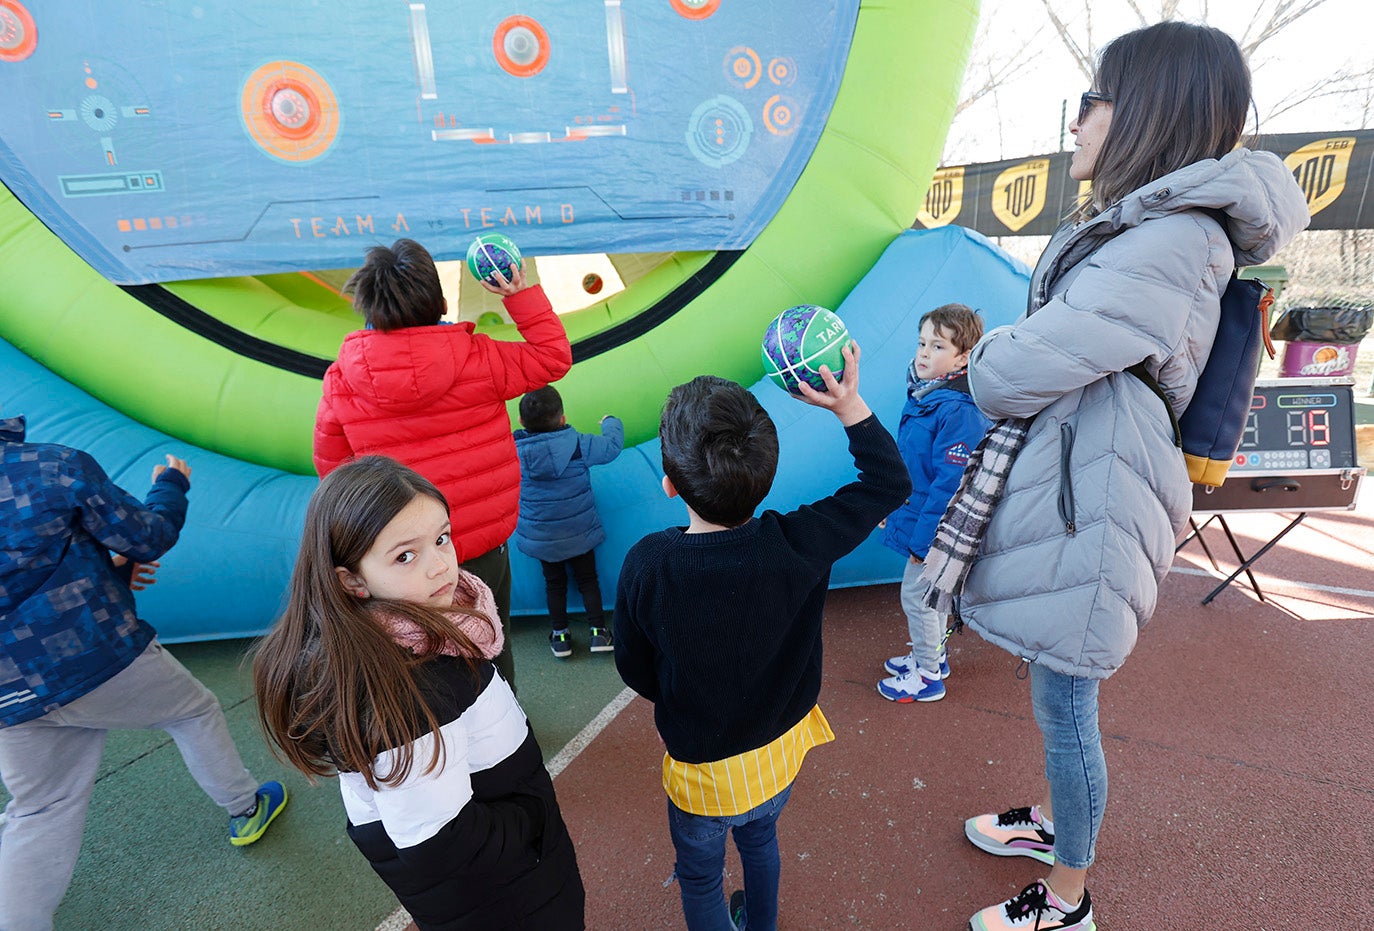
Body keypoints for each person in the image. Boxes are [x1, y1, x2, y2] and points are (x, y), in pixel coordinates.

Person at [916, 23, 1309, 931]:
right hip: (1086, 484)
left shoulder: (1167, 241)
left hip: (1099, 497)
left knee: (1066, 699)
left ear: (1147, 112)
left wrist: (977, 357)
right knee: (1059, 685)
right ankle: (1056, 825)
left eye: (1094, 100)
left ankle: (1068, 895)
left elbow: (1012, 368)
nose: (1081, 120)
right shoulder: (1149, 228)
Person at [613, 345, 910, 931]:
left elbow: (635, 668)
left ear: (670, 485)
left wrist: (682, 700)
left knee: (701, 876)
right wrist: (847, 405)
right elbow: (888, 482)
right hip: (779, 755)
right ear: (766, 474)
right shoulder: (802, 539)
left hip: (701, 771)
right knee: (761, 843)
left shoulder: (650, 564)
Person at [252, 456, 584, 931]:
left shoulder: (422, 639)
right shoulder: (413, 687)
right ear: (352, 580)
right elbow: (438, 845)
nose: (440, 567)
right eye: (405, 556)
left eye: (442, 538)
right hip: (507, 900)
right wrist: (530, 822)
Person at [0, 416, 288, 931]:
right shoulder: (49, 466)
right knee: (193, 711)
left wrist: (105, 573)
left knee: (40, 809)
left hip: (10, 696)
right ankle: (245, 806)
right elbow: (148, 536)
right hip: (99, 656)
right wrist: (171, 485)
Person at [313, 238, 573, 691]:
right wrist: (517, 294)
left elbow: (334, 475)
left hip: (401, 555)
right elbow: (553, 357)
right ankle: (505, 744)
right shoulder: (480, 357)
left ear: (369, 307)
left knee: (415, 656)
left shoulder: (342, 380)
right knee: (492, 643)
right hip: (482, 543)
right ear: (441, 301)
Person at [877, 303, 990, 703]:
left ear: (962, 357)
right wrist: (892, 508)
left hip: (933, 529)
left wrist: (924, 543)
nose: (924, 353)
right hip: (916, 517)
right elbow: (914, 467)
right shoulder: (928, 395)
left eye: (938, 346)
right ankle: (933, 658)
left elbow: (948, 487)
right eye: (922, 343)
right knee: (931, 597)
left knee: (918, 597)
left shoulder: (958, 409)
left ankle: (927, 676)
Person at [513, 386, 625, 658]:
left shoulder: (512, 452)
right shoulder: (578, 444)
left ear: (521, 422)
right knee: (588, 580)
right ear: (562, 419)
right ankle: (599, 632)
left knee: (554, 583)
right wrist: (611, 422)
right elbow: (612, 447)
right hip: (579, 531)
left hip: (542, 536)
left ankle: (560, 636)